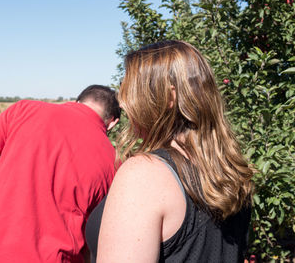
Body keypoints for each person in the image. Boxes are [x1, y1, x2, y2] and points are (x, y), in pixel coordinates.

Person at [85, 41, 254, 262]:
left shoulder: (145, 174)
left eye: (131, 92)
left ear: (169, 97)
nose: (124, 104)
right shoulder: (229, 171)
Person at [0, 85, 121, 263]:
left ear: (77, 101)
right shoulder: (114, 163)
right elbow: (94, 240)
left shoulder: (24, 110)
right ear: (113, 122)